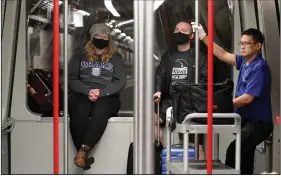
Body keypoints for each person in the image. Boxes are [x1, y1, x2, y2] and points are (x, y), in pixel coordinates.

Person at [192, 24, 273, 174]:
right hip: (246, 121)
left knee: (233, 152)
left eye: (246, 43)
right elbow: (222, 54)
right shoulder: (244, 62)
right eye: (241, 43)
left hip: (258, 123)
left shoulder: (259, 67)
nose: (242, 47)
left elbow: (247, 98)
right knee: (245, 158)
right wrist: (204, 36)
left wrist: (220, 106)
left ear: (258, 46)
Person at [68, 23, 127, 170]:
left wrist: (102, 92)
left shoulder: (115, 56)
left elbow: (121, 81)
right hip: (83, 93)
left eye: (104, 36)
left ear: (109, 39)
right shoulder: (79, 55)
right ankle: (82, 154)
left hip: (107, 96)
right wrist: (87, 91)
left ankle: (82, 152)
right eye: (97, 36)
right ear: (91, 37)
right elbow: (72, 78)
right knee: (80, 109)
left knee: (100, 111)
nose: (101, 38)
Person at [154, 21, 207, 160]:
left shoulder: (199, 57)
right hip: (170, 99)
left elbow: (204, 79)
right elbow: (160, 74)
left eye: (183, 31)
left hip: (189, 102)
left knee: (195, 143)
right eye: (177, 30)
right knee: (150, 120)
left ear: (191, 36)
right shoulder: (168, 56)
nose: (179, 33)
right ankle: (166, 155)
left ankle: (199, 170)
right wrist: (158, 91)